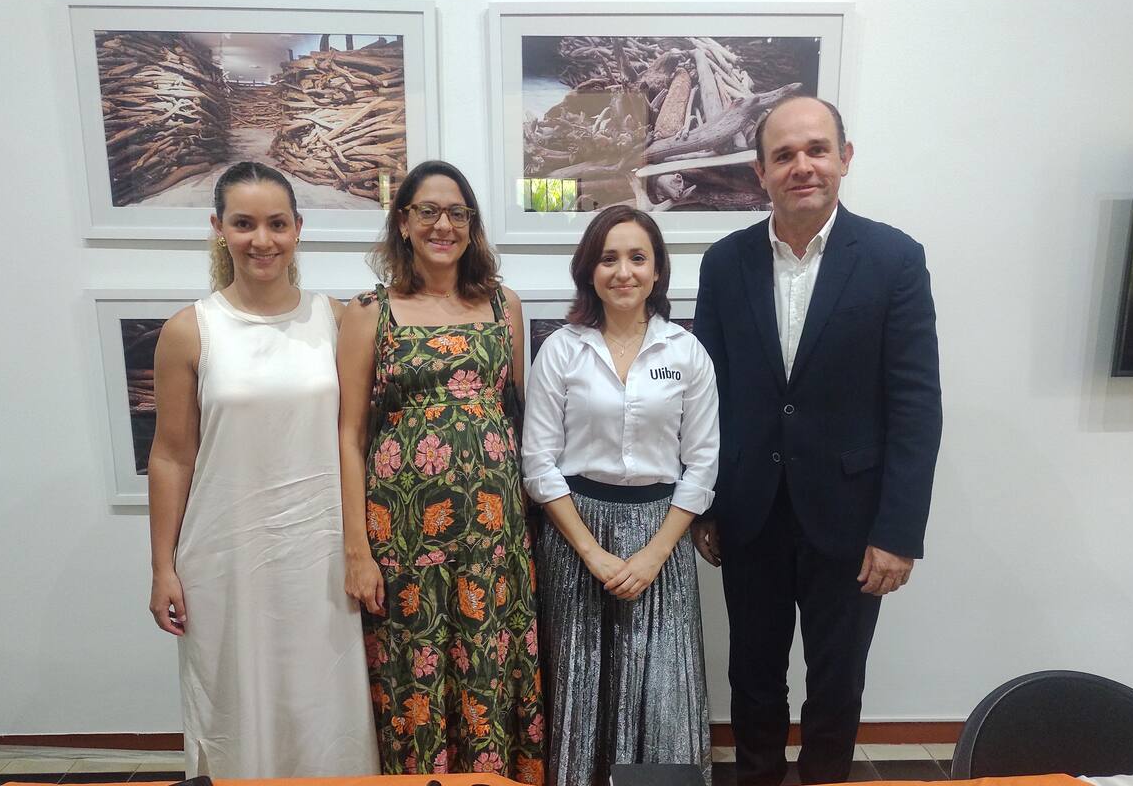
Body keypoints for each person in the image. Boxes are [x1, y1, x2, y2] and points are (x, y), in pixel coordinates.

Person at [692, 96, 943, 786]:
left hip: (854, 518)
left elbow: (917, 405)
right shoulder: (724, 263)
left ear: (844, 158)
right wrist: (707, 504)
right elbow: (705, 397)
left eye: (816, 150)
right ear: (759, 173)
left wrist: (899, 530)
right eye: (784, 155)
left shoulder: (894, 260)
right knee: (753, 677)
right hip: (751, 512)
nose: (802, 166)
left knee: (837, 683)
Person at [147, 162, 379, 778]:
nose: (262, 240)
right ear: (218, 228)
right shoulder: (189, 331)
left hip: (318, 552)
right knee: (237, 706)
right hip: (225, 556)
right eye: (244, 224)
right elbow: (171, 456)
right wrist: (162, 566)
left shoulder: (333, 320)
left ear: (298, 229)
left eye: (277, 224)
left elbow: (354, 434)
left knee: (323, 706)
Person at [336, 160, 546, 782]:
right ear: (402, 222)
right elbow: (347, 434)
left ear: (472, 225)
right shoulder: (370, 312)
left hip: (494, 536)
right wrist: (356, 549)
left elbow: (517, 414)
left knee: (490, 668)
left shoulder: (501, 305)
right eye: (427, 211)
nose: (443, 225)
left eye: (457, 212)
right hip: (405, 538)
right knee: (416, 678)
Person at [522, 205, 720, 786]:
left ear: (657, 271)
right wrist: (593, 553)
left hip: (663, 538)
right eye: (608, 258)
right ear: (589, 270)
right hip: (576, 536)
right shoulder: (562, 349)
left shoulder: (686, 353)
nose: (623, 271)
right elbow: (539, 462)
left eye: (638, 257)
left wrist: (654, 554)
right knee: (581, 686)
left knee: (661, 690)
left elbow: (702, 464)